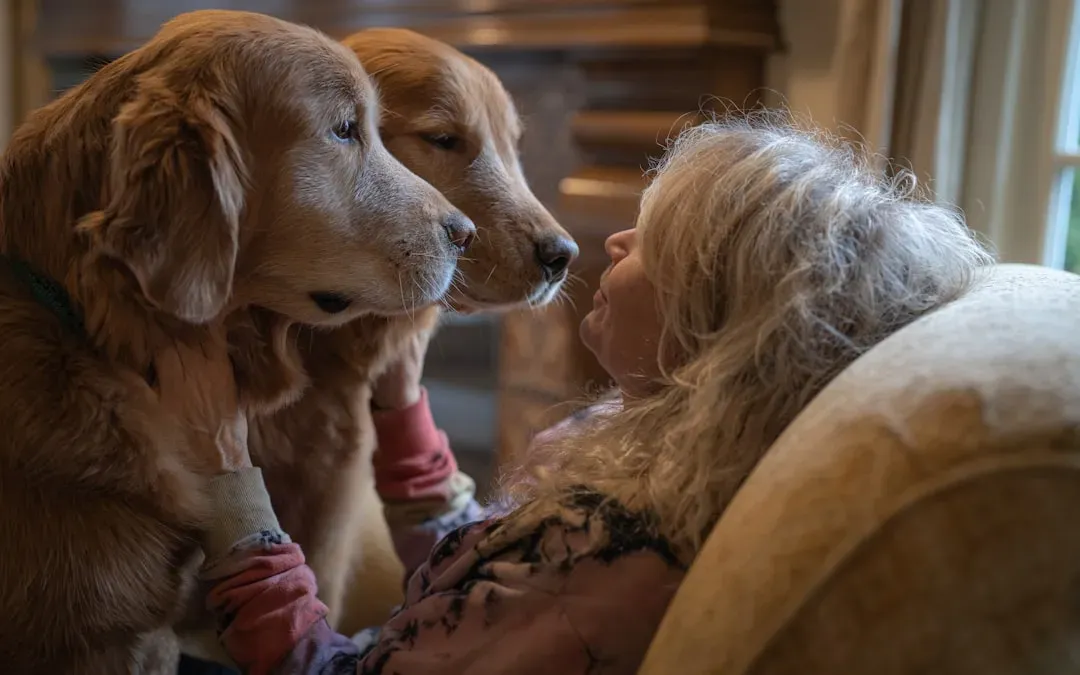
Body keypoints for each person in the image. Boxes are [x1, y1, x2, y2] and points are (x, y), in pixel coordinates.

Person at [189, 115, 994, 675]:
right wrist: (403, 406)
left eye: (655, 239)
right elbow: (478, 580)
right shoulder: (644, 451)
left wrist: (230, 480)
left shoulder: (615, 560)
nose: (614, 240)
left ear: (708, 319)